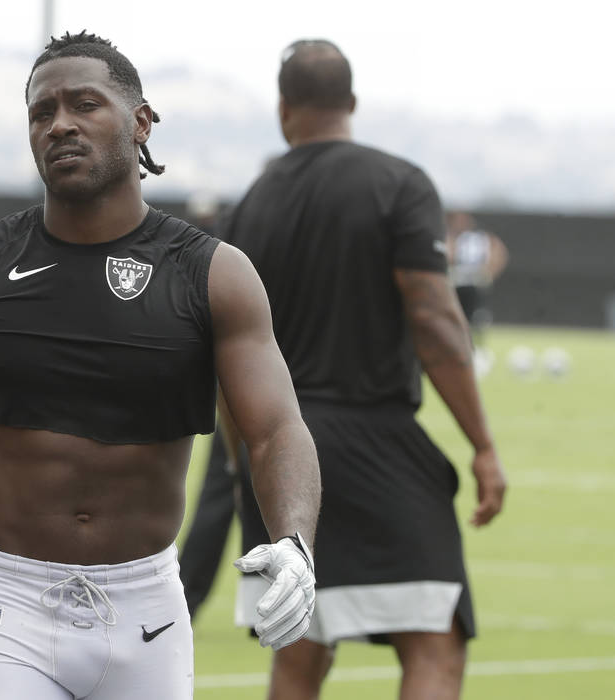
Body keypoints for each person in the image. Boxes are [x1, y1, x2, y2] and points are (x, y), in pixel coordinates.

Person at [0, 31, 321, 700]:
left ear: (140, 122)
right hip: (6, 602)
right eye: (42, 111)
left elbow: (276, 429)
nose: (60, 124)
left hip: (145, 608)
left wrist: (294, 541)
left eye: (85, 104)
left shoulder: (213, 274)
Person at [223, 39, 508, 699]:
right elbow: (437, 324)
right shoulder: (399, 184)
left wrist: (246, 471)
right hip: (377, 444)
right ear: (351, 104)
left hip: (279, 454)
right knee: (435, 639)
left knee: (298, 651)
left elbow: (226, 359)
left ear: (283, 108)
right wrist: (483, 446)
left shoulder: (249, 206)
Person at [445, 210, 508, 374]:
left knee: (475, 319)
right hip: (458, 283)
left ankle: (476, 352)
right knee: (458, 318)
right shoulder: (454, 237)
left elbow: (499, 252)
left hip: (472, 284)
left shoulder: (480, 237)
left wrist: (488, 273)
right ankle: (458, 350)